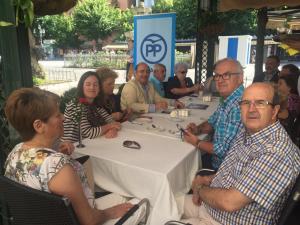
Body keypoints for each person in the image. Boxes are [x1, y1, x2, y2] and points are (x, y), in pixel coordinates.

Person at [4, 88, 146, 225]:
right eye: (57, 115)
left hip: (42, 219)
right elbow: (90, 220)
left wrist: (57, 155)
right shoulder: (58, 166)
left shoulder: (14, 153)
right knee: (142, 202)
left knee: (123, 196)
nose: (64, 117)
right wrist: (110, 212)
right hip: (85, 218)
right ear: (39, 126)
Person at [181, 83, 300, 225]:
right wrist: (208, 179)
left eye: (261, 103)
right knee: (160, 202)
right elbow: (234, 170)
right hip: (211, 207)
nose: (251, 109)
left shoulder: (275, 151)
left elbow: (229, 202)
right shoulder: (249, 131)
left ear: (274, 111)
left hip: (226, 220)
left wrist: (200, 189)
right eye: (246, 103)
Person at [184, 58, 244, 170]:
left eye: (226, 75)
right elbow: (212, 122)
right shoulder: (229, 98)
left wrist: (196, 142)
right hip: (218, 161)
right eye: (217, 76)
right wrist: (198, 129)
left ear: (240, 78)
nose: (220, 80)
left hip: (226, 170)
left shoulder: (239, 105)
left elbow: (224, 150)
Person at [62, 71, 121, 143]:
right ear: (81, 87)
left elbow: (112, 121)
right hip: (72, 148)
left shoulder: (96, 104)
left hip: (90, 144)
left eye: (95, 85)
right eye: (88, 84)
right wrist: (110, 126)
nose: (92, 87)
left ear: (99, 88)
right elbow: (89, 133)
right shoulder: (76, 105)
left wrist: (113, 129)